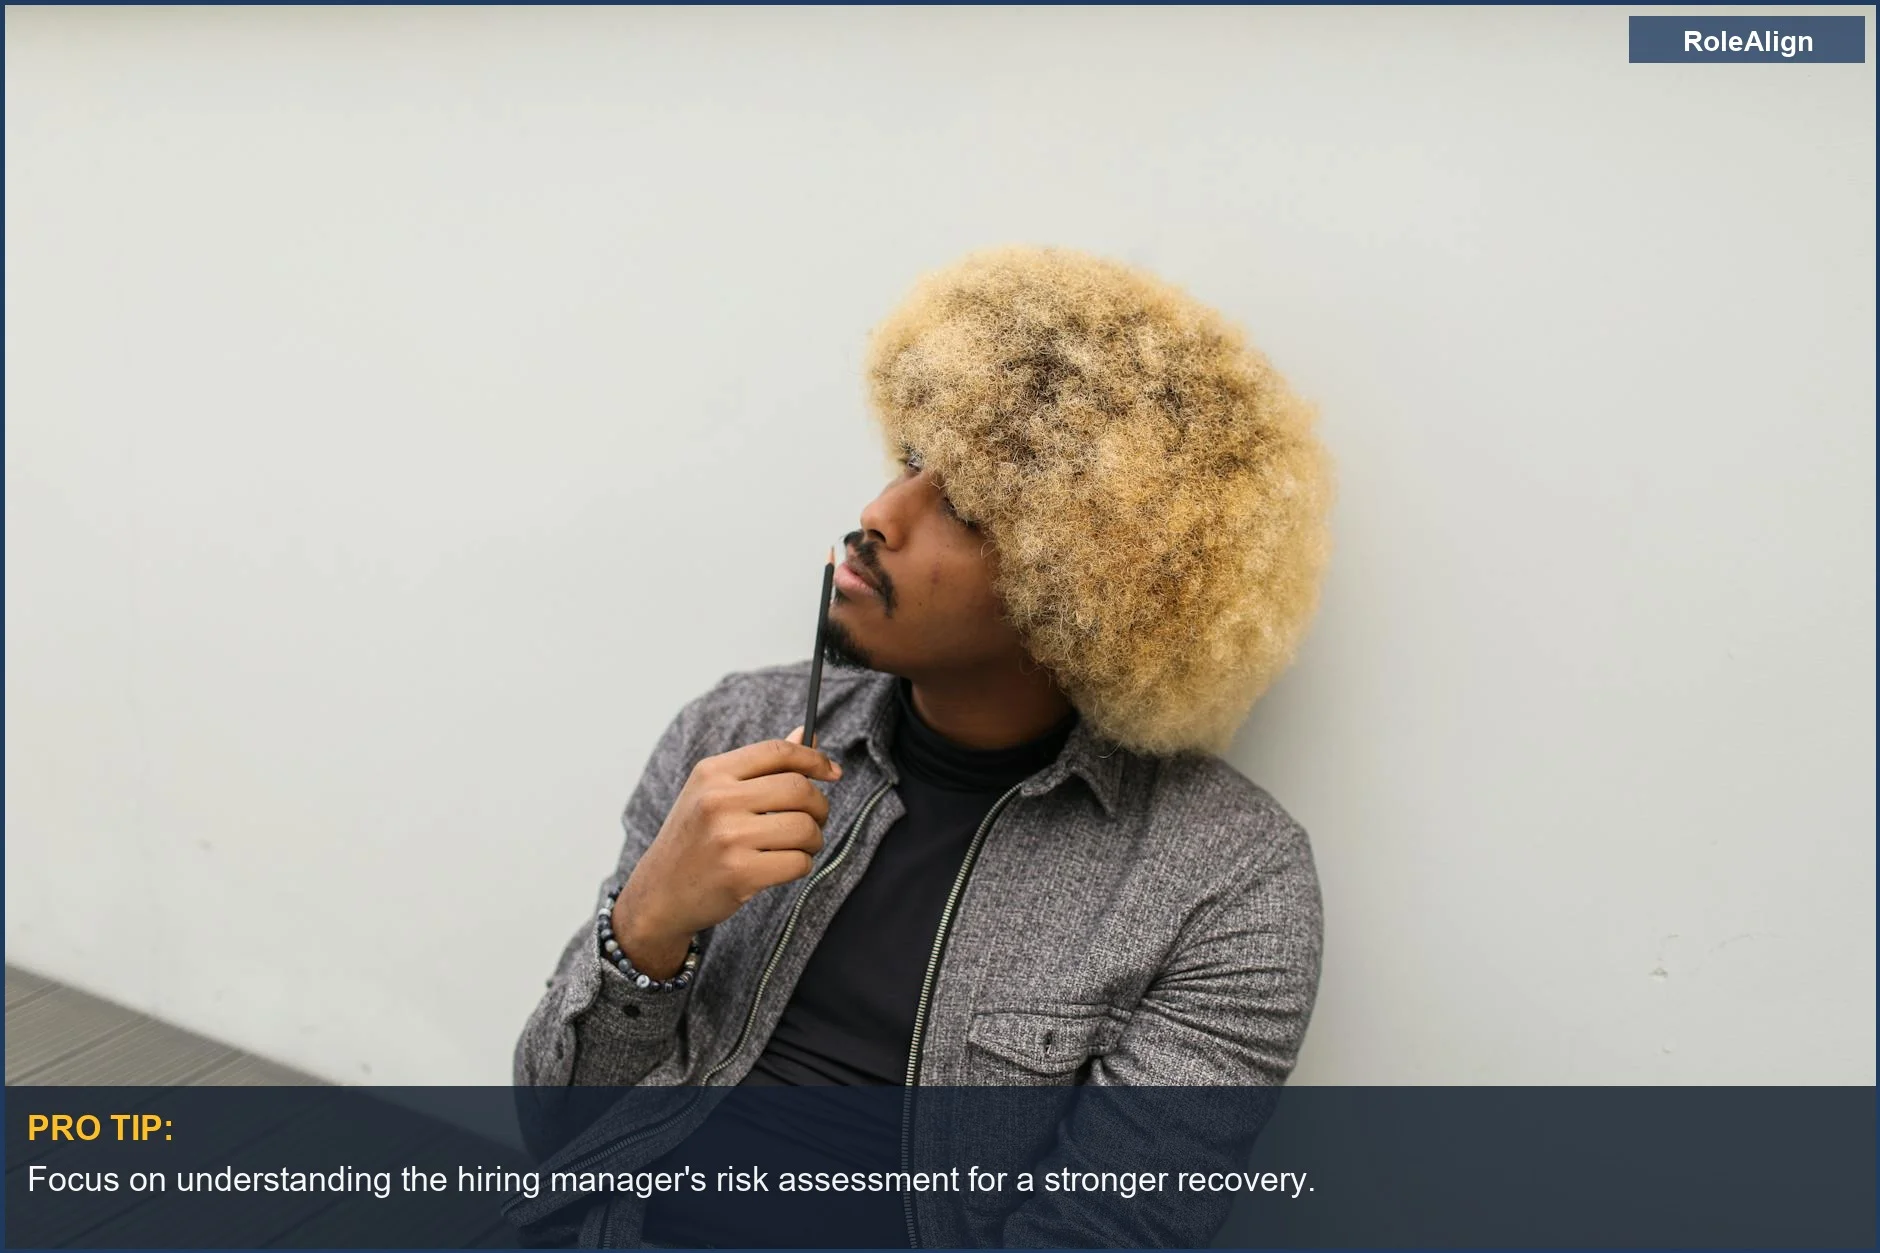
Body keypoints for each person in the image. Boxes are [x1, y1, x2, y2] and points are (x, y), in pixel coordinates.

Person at [505, 245, 1335, 1249]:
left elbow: (1106, 1231)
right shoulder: (730, 730)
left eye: (961, 504)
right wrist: (646, 926)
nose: (876, 516)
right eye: (908, 462)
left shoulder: (1223, 882)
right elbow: (558, 1125)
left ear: (1084, 589)